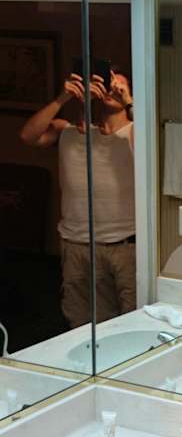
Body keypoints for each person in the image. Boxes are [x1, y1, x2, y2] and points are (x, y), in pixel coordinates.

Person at [21, 66, 136, 328]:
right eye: (108, 85)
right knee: (82, 325)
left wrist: (129, 101)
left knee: (131, 322)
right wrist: (63, 98)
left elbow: (151, 148)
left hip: (125, 246)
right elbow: (28, 136)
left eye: (119, 85)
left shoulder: (133, 133)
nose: (113, 89)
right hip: (77, 245)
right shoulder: (67, 132)